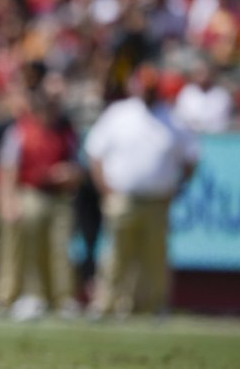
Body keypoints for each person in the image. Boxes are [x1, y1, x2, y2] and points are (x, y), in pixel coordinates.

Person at [84, 64, 198, 318]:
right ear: (135, 86)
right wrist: (105, 189)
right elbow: (95, 152)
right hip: (122, 197)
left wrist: (177, 186)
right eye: (144, 87)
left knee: (154, 256)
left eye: (152, 88)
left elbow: (191, 157)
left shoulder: (173, 118)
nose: (148, 93)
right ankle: (106, 303)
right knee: (115, 255)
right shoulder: (119, 113)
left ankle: (154, 304)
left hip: (158, 200)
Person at [0, 92, 82, 321]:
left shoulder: (66, 131)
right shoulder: (20, 130)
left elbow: (77, 165)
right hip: (29, 192)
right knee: (26, 248)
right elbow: (8, 166)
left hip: (59, 197)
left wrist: (69, 173)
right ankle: (24, 295)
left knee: (61, 249)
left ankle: (63, 297)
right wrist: (8, 199)